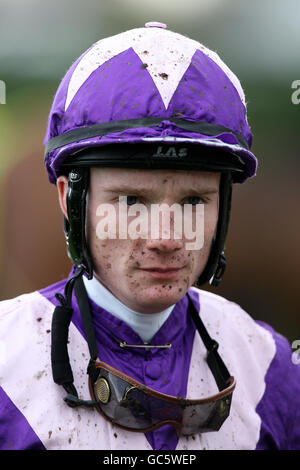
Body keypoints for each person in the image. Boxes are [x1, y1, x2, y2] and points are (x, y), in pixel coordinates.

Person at [0, 22, 299, 451]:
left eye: (194, 202)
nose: (165, 238)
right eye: (131, 202)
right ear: (71, 200)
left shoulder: (271, 369)